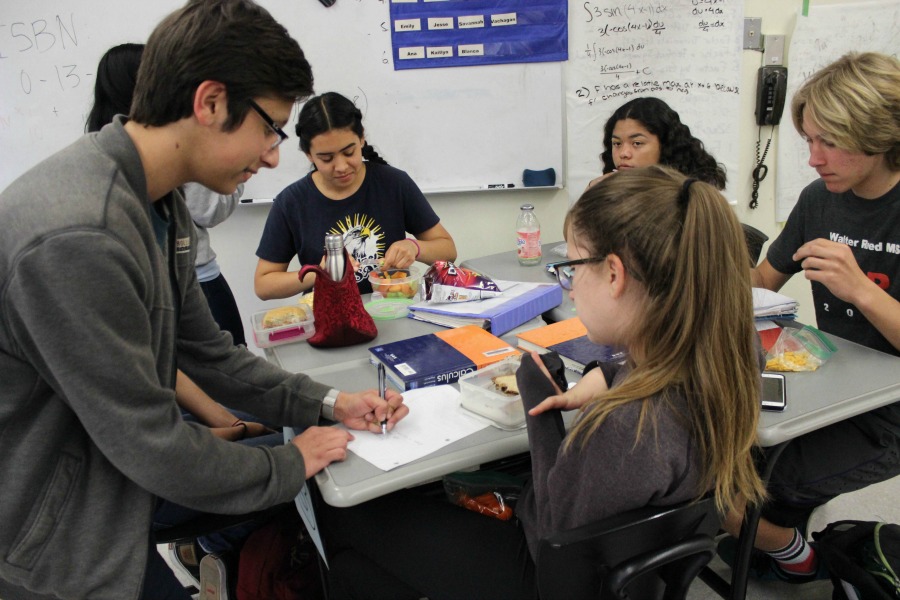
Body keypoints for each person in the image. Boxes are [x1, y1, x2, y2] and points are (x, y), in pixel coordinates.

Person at [0, 2, 409, 599]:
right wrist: (290, 461)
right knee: (302, 475)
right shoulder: (80, 234)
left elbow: (208, 354)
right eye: (270, 127)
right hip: (55, 538)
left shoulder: (160, 204)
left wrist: (329, 402)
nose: (274, 155)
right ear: (211, 102)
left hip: (111, 488)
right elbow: (153, 444)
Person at [319, 165, 767, 599]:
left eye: (572, 269)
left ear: (614, 274)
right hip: (636, 570)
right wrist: (606, 375)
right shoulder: (732, 346)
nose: (569, 289)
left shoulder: (625, 427)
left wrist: (537, 400)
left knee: (346, 513)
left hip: (549, 577)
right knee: (358, 571)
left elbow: (550, 529)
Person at [720, 51, 900, 584]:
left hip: (889, 410)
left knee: (736, 490)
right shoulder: (820, 199)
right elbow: (760, 285)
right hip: (830, 381)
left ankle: (805, 559)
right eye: (809, 141)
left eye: (830, 142)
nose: (815, 158)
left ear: (878, 133)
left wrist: (863, 291)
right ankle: (779, 534)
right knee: (714, 444)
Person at [88, 42, 248, 347]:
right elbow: (208, 210)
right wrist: (237, 169)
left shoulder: (99, 148)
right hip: (194, 280)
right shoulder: (169, 143)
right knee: (220, 368)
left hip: (154, 288)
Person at [254, 91, 457, 299]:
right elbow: (264, 285)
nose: (341, 166)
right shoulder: (292, 202)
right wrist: (319, 272)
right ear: (309, 155)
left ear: (361, 139)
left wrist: (414, 247)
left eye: (349, 152)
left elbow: (448, 250)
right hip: (331, 318)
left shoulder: (393, 184)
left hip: (393, 308)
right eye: (326, 158)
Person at [587, 96, 727, 190]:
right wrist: (591, 193)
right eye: (617, 144)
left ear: (665, 144)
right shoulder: (616, 188)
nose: (623, 153)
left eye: (637, 143)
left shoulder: (692, 194)